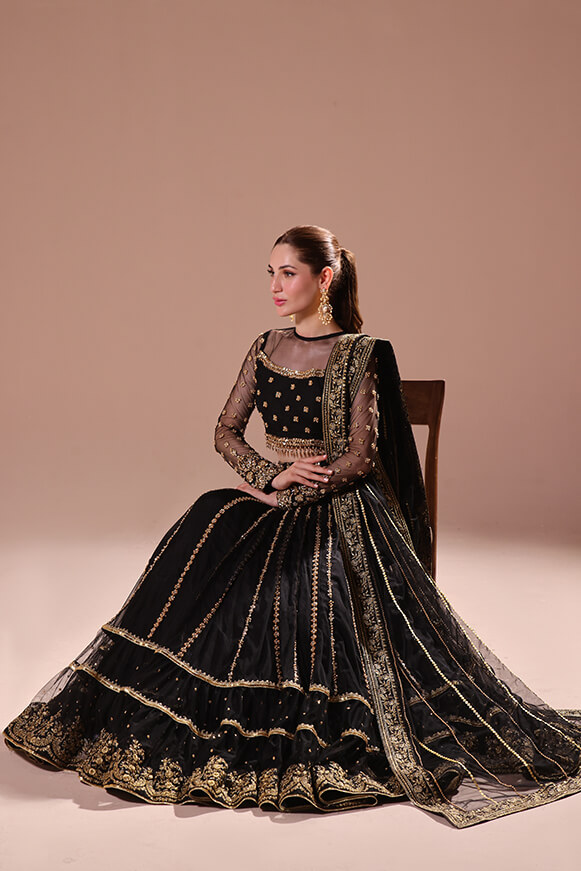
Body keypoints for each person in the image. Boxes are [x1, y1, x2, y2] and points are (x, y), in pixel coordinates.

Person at [4, 225, 581, 827]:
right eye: (271, 274)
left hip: (340, 505)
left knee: (298, 588)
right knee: (207, 530)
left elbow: (362, 455)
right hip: (274, 497)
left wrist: (307, 489)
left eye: (289, 273)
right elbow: (225, 430)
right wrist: (271, 476)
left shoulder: (360, 353)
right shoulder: (265, 345)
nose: (276, 287)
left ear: (323, 278)